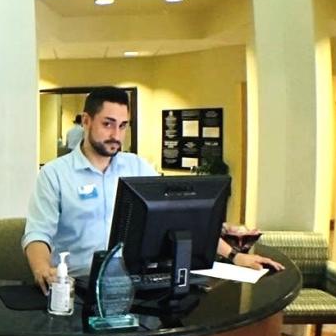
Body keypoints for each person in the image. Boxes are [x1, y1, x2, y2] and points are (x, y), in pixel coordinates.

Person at [23, 86, 282, 294]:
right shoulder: (54, 174)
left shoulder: (137, 168)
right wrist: (41, 268)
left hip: (136, 282)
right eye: (108, 124)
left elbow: (182, 219)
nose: (116, 134)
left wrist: (235, 256)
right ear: (87, 121)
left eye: (123, 125)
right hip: (79, 285)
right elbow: (37, 233)